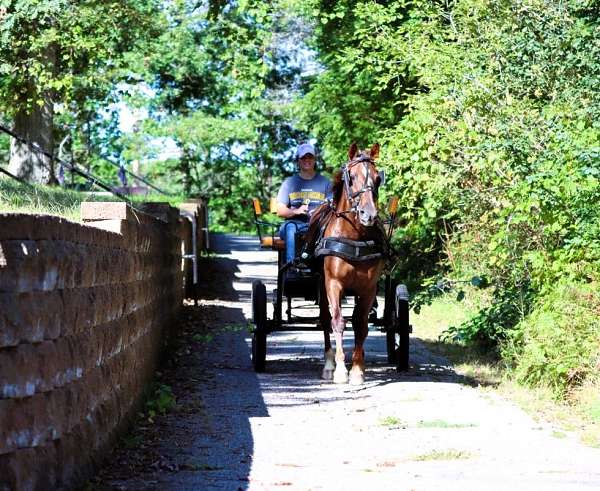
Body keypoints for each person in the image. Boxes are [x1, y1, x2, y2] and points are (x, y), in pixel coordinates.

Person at [276, 143, 331, 269]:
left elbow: (332, 205)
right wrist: (296, 211)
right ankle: (292, 267)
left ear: (314, 160)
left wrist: (319, 212)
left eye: (310, 157)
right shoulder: (289, 183)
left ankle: (327, 271)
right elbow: (280, 210)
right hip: (295, 224)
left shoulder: (326, 182)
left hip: (319, 225)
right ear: (298, 161)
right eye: (303, 158)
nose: (307, 160)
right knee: (291, 227)